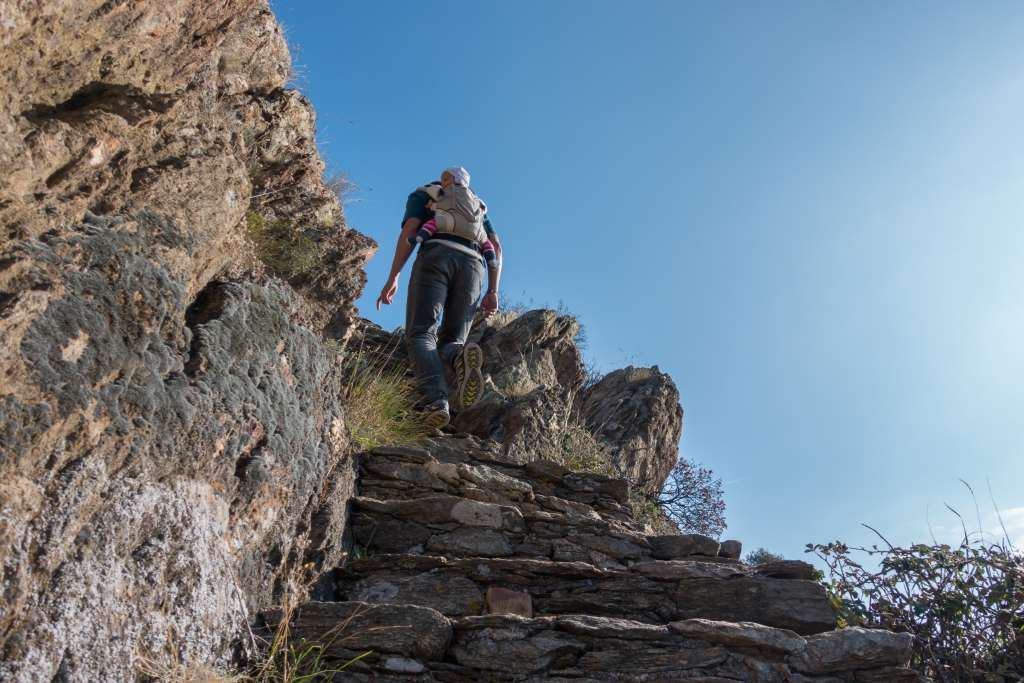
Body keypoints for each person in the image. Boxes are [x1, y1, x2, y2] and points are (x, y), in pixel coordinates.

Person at [376, 166, 503, 428]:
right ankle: (459, 357)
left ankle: (435, 401)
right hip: (474, 265)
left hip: (437, 254)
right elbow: (497, 245)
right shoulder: (477, 205)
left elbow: (411, 233)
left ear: (444, 180)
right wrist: (492, 291)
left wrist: (393, 276)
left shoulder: (426, 194)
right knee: (454, 340)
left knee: (422, 333)